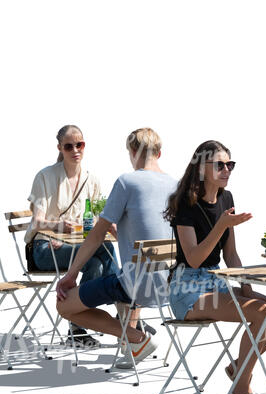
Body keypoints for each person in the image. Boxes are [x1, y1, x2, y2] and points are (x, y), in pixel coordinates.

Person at [164, 140, 266, 394]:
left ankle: (238, 366)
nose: (227, 170)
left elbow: (231, 254)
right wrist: (221, 224)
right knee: (260, 314)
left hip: (217, 281)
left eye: (230, 164)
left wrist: (246, 284)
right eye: (220, 165)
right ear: (201, 169)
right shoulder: (185, 204)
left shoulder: (226, 198)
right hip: (187, 288)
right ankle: (242, 390)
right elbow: (194, 258)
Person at [56, 128, 177, 367]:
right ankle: (132, 346)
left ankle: (136, 338)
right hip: (169, 285)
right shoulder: (176, 185)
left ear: (132, 152)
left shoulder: (126, 182)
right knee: (129, 275)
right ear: (159, 153)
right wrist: (120, 232)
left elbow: (94, 236)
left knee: (65, 305)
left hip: (136, 286)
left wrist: (70, 276)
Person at [25, 124, 117, 347]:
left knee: (95, 265)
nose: (75, 149)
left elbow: (98, 218)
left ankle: (77, 327)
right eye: (69, 146)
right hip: (45, 248)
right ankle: (126, 310)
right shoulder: (45, 176)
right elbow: (37, 220)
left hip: (76, 246)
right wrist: (58, 227)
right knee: (106, 250)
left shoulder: (91, 179)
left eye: (80, 144)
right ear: (60, 148)